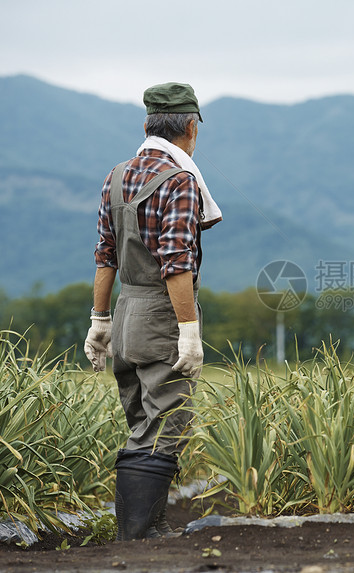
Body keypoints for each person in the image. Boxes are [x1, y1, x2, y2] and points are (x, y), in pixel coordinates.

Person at [84, 82, 219, 540]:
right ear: (189, 127)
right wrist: (189, 330)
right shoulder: (179, 180)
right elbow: (176, 263)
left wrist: (99, 321)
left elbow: (106, 255)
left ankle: (137, 530)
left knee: (142, 423)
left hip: (124, 314)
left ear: (147, 125)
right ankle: (142, 535)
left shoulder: (117, 175)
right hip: (161, 315)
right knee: (164, 426)